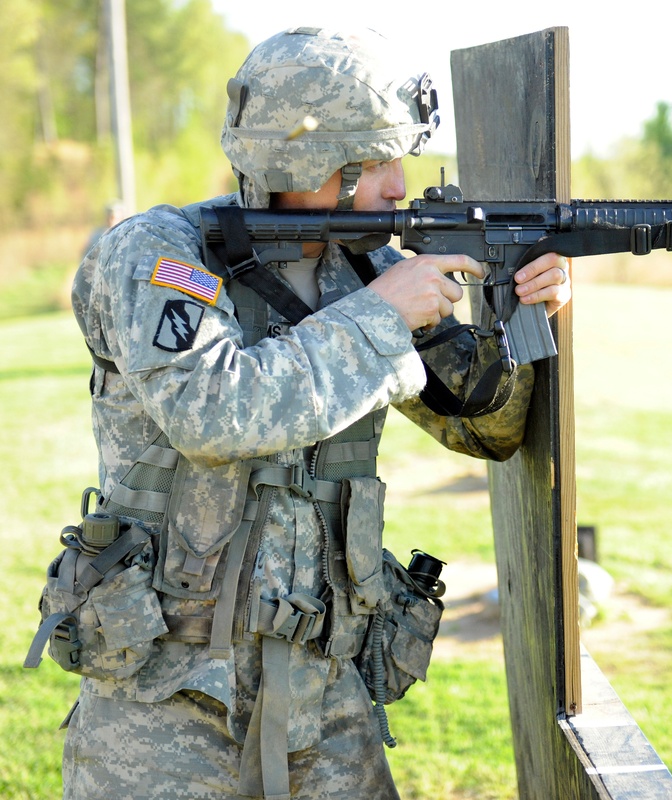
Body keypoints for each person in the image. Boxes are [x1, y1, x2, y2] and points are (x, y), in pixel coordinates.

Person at [64, 27, 570, 800]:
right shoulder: (158, 257)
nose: (399, 185)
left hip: (328, 698)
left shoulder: (371, 269)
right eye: (372, 163)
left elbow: (488, 430)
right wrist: (378, 317)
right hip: (163, 701)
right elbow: (213, 412)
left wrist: (520, 306)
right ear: (305, 164)